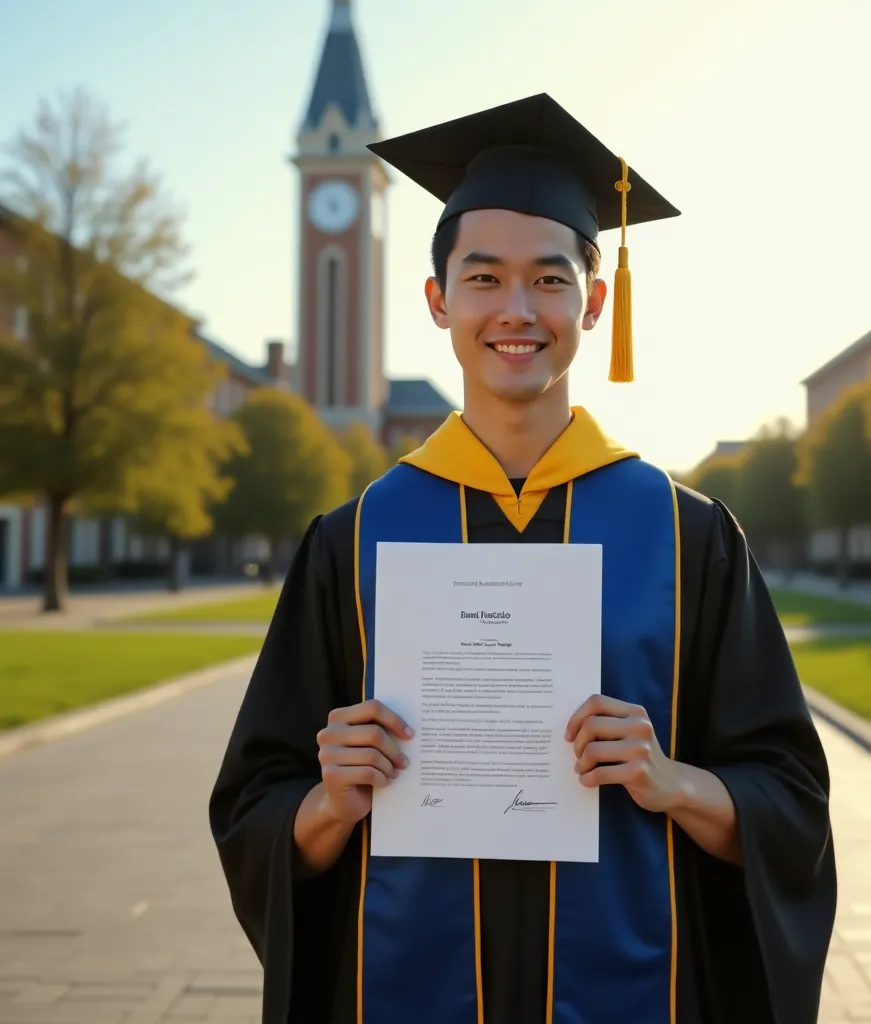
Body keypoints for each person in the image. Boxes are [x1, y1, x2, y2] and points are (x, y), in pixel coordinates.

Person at [209, 93, 837, 1024]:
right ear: (438, 300)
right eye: (484, 277)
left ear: (597, 302)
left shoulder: (687, 535)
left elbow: (789, 808)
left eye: (550, 280)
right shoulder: (352, 541)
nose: (516, 310)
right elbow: (259, 813)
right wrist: (330, 802)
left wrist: (677, 782)